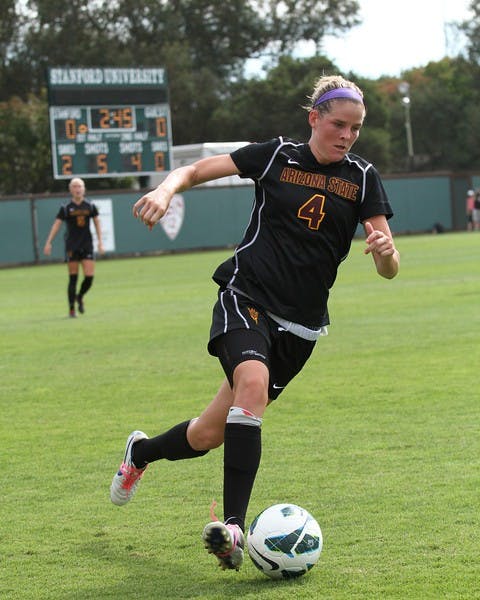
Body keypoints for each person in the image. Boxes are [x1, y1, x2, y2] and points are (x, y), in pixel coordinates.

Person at [110, 74, 400, 571]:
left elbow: (388, 267)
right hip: (246, 298)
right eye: (338, 124)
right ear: (314, 118)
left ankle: (140, 453)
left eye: (355, 128)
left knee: (208, 434)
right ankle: (235, 530)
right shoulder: (276, 156)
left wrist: (386, 252)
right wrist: (166, 188)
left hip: (301, 327)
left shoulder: (363, 177)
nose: (347, 135)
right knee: (251, 381)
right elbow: (200, 168)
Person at [43, 177, 104, 317]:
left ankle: (80, 296)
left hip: (87, 245)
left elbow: (97, 223)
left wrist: (100, 242)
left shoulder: (90, 206)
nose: (77, 189)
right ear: (71, 189)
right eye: (75, 187)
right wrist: (48, 242)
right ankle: (71, 309)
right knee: (73, 278)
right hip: (72, 246)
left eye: (80, 186)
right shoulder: (65, 208)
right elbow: (56, 225)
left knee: (89, 278)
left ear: (84, 189)